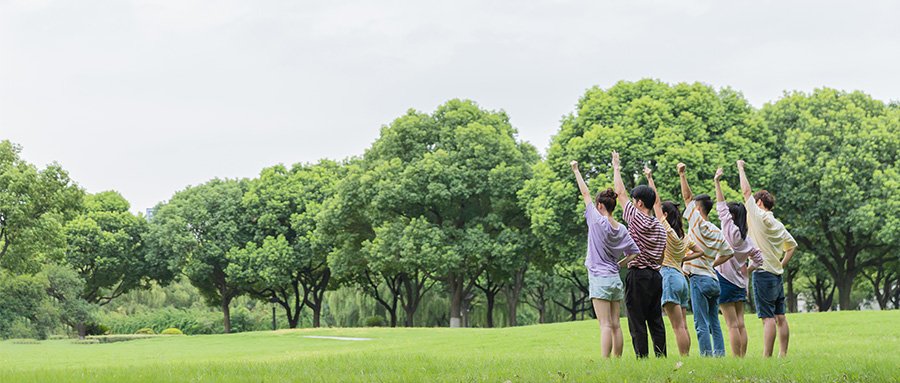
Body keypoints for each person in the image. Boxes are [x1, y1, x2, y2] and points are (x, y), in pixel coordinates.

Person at [570, 160, 642, 358]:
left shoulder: (595, 220)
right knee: (616, 323)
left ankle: (605, 361)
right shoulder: (622, 229)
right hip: (614, 279)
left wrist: (576, 170)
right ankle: (617, 360)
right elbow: (634, 252)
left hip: (599, 278)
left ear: (600, 205)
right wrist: (619, 264)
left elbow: (585, 193)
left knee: (605, 325)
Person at [736, 160, 798, 358]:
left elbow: (746, 191)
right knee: (781, 317)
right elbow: (792, 246)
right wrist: (780, 264)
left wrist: (741, 168)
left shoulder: (758, 217)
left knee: (767, 318)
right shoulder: (778, 225)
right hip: (776, 275)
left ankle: (767, 356)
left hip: (763, 274)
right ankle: (782, 354)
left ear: (759, 203)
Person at [642, 167, 704, 356]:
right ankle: (686, 357)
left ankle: (683, 358)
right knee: (683, 325)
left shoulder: (667, 231)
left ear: (666, 216)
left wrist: (650, 178)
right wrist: (682, 258)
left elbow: (656, 202)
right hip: (681, 279)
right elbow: (700, 251)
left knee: (677, 327)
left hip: (669, 276)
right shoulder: (684, 237)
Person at [611, 151, 667, 358]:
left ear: (640, 203)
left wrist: (616, 167)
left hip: (638, 276)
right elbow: (660, 258)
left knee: (636, 320)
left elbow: (620, 193)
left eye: (634, 201)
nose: (632, 203)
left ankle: (642, 358)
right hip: (655, 276)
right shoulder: (661, 227)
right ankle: (661, 357)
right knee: (656, 320)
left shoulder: (637, 218)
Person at [676, 162, 734, 357]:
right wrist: (712, 263)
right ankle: (720, 354)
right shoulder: (717, 231)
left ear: (698, 210)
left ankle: (706, 356)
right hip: (714, 280)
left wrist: (682, 175)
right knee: (714, 322)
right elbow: (729, 253)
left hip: (699, 279)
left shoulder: (697, 224)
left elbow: (687, 197)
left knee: (701, 323)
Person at [713, 167, 765, 357]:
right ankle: (741, 357)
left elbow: (721, 206)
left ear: (732, 216)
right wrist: (747, 271)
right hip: (740, 283)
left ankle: (736, 358)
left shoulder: (729, 230)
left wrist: (717, 182)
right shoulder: (745, 239)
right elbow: (759, 258)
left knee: (731, 324)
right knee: (740, 323)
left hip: (725, 280)